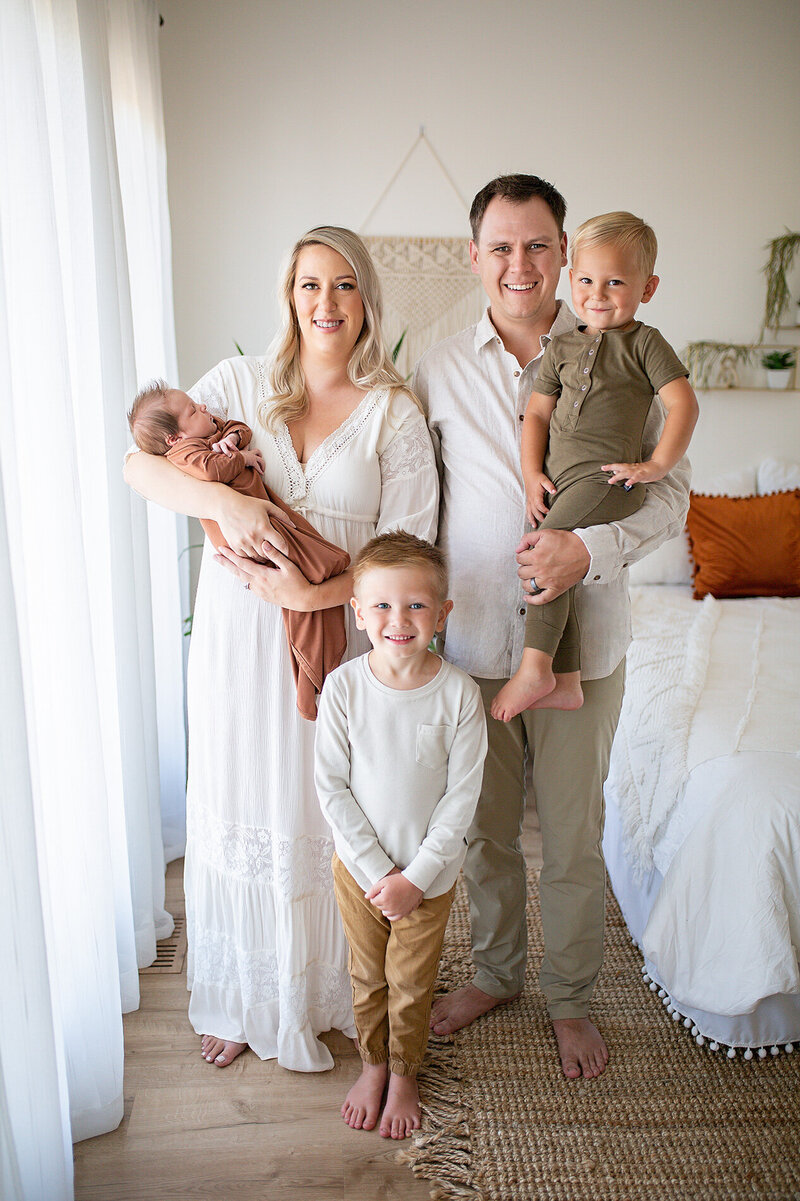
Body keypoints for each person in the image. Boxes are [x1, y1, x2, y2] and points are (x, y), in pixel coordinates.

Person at [124, 226, 439, 1072]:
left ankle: (331, 988)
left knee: (323, 806)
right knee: (242, 801)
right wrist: (227, 511)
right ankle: (239, 990)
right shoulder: (235, 386)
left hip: (337, 641)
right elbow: (139, 466)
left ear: (366, 298)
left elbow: (409, 554)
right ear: (288, 295)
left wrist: (309, 594)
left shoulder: (393, 413)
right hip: (234, 642)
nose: (325, 303)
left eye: (342, 285)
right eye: (308, 285)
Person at [412, 175, 690, 1080]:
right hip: (472, 641)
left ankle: (571, 995)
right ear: (475, 256)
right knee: (486, 831)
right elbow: (419, 505)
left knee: (573, 833)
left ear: (564, 256)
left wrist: (591, 553)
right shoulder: (439, 369)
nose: (520, 264)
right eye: (502, 246)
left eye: (538, 246)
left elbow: (672, 496)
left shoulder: (629, 353)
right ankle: (495, 971)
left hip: (589, 639)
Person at [492, 212, 699, 720]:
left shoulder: (646, 343)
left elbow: (684, 405)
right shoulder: (560, 347)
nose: (598, 294)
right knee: (555, 567)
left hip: (608, 480)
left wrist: (655, 464)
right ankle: (565, 678)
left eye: (615, 282)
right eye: (586, 280)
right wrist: (530, 473)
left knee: (541, 553)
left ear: (647, 288)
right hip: (560, 483)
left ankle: (537, 668)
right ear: (571, 278)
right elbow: (536, 413)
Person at [315, 532, 487, 1139]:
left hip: (428, 878)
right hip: (359, 872)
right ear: (358, 612)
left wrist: (413, 878)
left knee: (412, 982)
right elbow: (332, 788)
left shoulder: (461, 695)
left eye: (416, 605)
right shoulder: (343, 688)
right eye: (382, 605)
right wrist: (377, 872)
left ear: (442, 614)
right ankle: (372, 1064)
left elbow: (460, 801)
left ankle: (406, 1072)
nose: (399, 619)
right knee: (368, 975)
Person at [127, 383, 350, 719]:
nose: (203, 407)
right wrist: (241, 457)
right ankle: (311, 683)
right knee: (313, 584)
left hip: (266, 520)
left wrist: (231, 439)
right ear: (174, 439)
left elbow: (239, 429)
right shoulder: (184, 454)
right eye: (192, 410)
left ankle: (316, 675)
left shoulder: (206, 435)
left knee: (313, 600)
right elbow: (212, 469)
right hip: (251, 542)